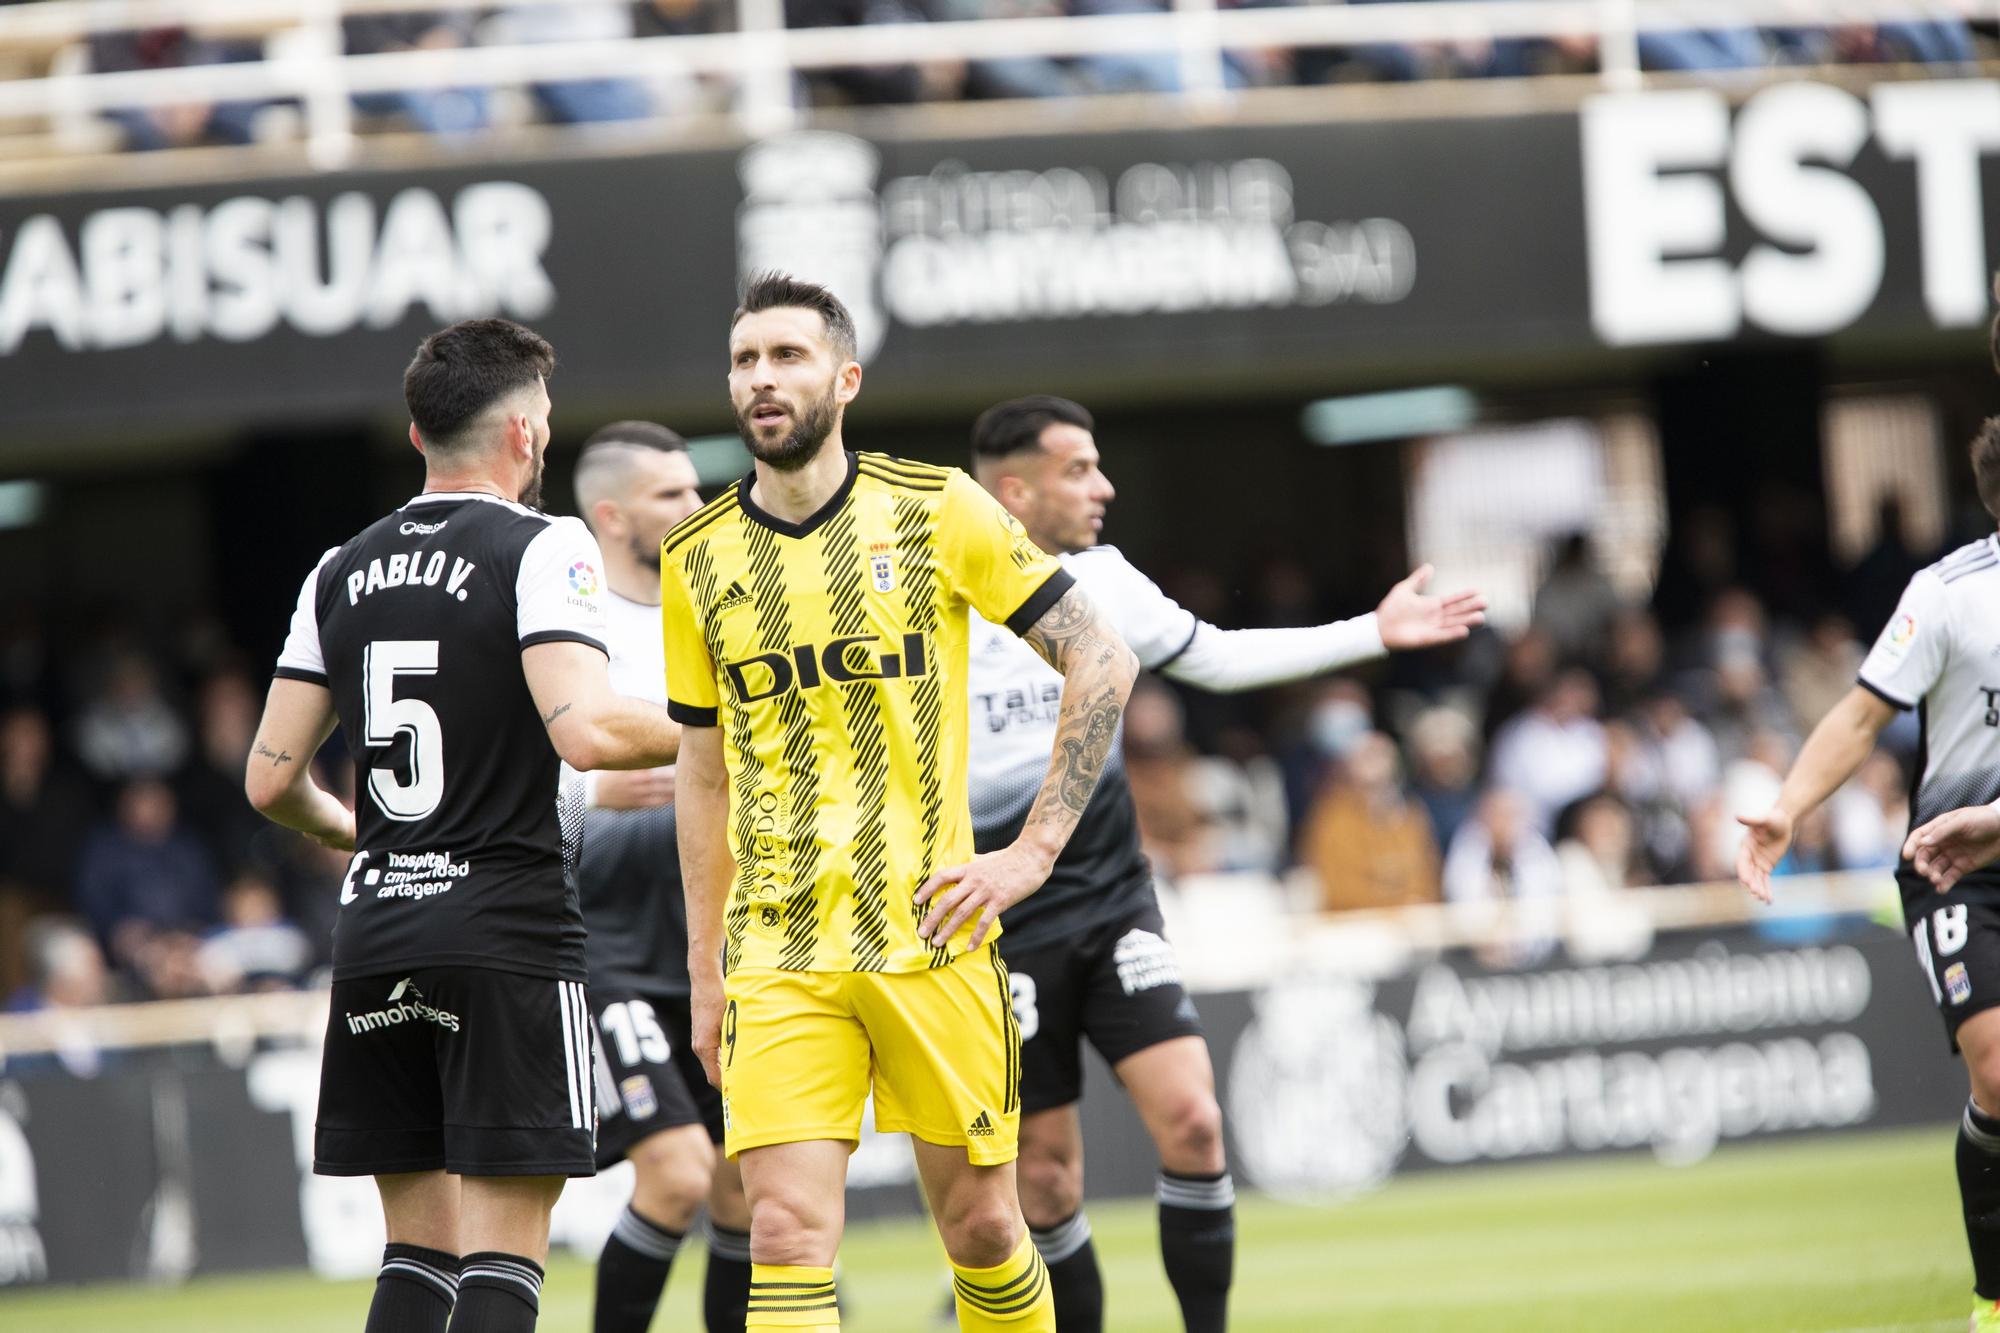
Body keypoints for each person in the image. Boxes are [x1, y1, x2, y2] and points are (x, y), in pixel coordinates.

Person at [663, 274, 1140, 1333]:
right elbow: (702, 772)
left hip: (931, 933)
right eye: (744, 360)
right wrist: (704, 967)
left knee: (979, 1225)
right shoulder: (694, 560)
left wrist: (1029, 853)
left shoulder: (933, 509)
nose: (760, 379)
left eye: (785, 356)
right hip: (777, 950)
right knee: (783, 1235)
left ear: (845, 377)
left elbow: (1099, 660)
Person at [964, 393, 1485, 1333]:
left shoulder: (1103, 579)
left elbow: (1216, 655)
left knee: (1197, 1122)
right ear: (1013, 487)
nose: (1104, 485)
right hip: (995, 923)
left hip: (1112, 897)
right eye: (1078, 467)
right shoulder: (929, 592)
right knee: (1042, 1175)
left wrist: (1372, 630)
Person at [244, 318, 680, 1333]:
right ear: (526, 437)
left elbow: (270, 780)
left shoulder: (336, 567)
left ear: (416, 437)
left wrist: (368, 836)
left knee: (418, 1254)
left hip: (378, 930)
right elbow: (583, 730)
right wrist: (733, 719)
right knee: (499, 1256)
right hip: (504, 934)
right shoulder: (546, 546)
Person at [1738, 417, 2000, 1333]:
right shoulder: (1946, 594)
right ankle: (1995, 1299)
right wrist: (1787, 805)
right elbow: (1857, 716)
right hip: (1955, 866)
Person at [566, 420, 755, 1333]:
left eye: (697, 489)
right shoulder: (566, 627)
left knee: (742, 1190)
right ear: (611, 516)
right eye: (671, 495)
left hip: (717, 945)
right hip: (606, 954)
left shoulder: (715, 612)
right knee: (677, 1172)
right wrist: (592, 792)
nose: (697, 507)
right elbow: (499, 779)